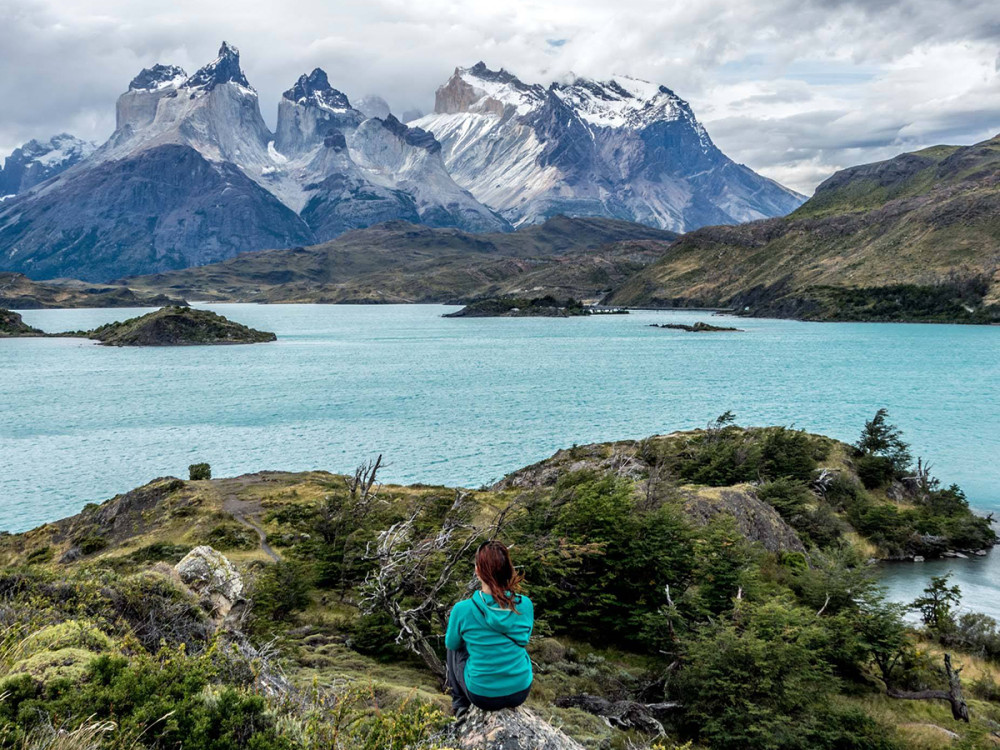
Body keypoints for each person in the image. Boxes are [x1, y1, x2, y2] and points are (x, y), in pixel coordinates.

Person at [445, 540, 533, 717]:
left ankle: (460, 704)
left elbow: (452, 644)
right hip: (520, 691)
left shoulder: (462, 609)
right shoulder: (525, 605)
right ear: (508, 569)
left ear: (478, 571)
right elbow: (524, 639)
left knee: (454, 648)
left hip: (483, 696)